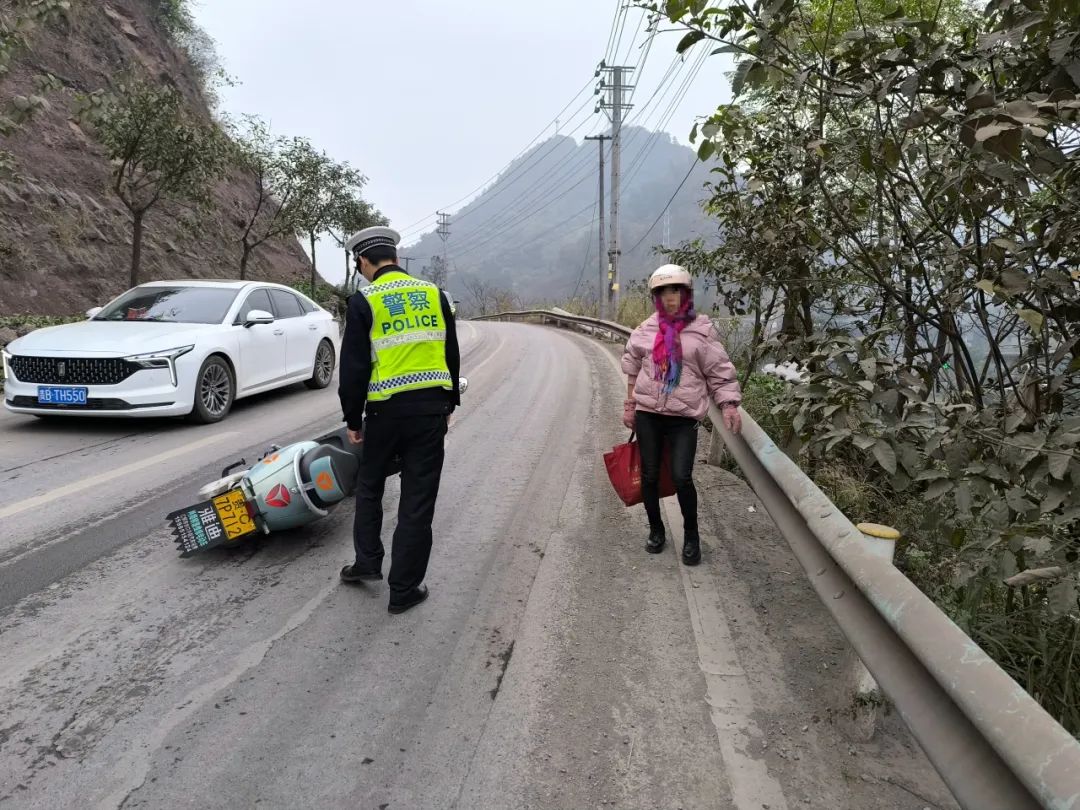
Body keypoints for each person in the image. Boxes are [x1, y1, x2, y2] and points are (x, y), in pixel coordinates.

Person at [338, 225, 460, 614]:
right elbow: (450, 353)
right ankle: (403, 590)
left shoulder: (363, 300)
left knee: (370, 487)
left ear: (363, 261)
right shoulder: (433, 294)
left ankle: (367, 563)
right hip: (428, 414)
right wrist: (449, 403)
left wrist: (352, 418)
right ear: (393, 255)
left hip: (383, 412)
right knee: (417, 500)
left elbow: (354, 368)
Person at [620, 264, 743, 565]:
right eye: (662, 292)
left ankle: (691, 535)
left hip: (683, 418)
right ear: (655, 297)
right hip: (649, 413)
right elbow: (633, 367)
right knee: (649, 476)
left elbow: (720, 373)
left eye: (675, 290)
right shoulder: (645, 330)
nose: (669, 297)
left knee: (681, 476)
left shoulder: (701, 330)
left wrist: (728, 405)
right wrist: (629, 405)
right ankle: (656, 530)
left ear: (686, 293)